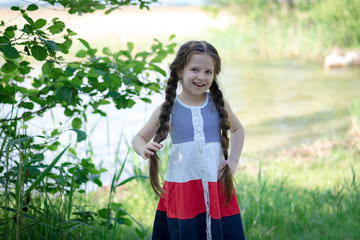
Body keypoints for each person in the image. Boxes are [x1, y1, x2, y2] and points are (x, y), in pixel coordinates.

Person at [132, 40, 245, 240]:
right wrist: (143, 148)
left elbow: (237, 130)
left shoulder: (218, 105)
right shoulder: (169, 109)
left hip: (216, 184)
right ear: (180, 71)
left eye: (208, 72)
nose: (201, 77)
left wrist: (233, 162)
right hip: (183, 190)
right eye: (195, 69)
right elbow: (139, 138)